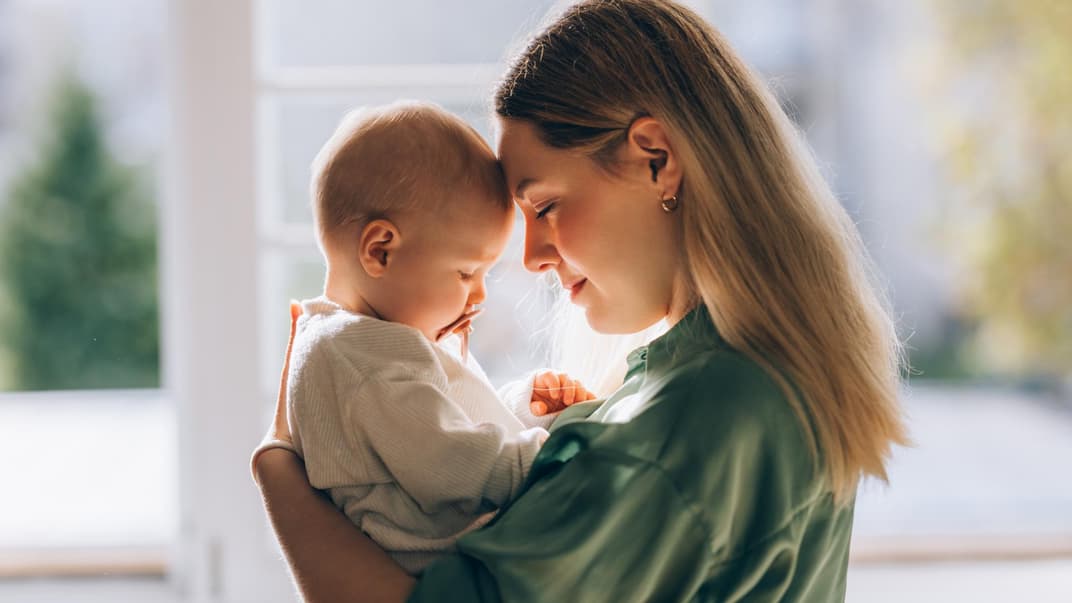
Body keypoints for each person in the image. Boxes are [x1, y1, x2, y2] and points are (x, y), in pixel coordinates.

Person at [252, 1, 910, 601]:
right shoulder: (757, 377)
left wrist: (279, 467)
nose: (533, 256)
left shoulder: (677, 431)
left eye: (546, 206)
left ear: (655, 158)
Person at [261, 101, 597, 576]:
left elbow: (431, 429)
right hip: (446, 571)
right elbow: (449, 465)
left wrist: (523, 409)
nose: (479, 294)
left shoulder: (354, 342)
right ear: (381, 250)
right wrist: (545, 457)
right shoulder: (363, 358)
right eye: (466, 272)